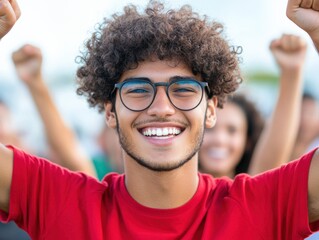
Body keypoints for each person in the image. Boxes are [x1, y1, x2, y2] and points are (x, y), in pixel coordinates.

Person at [0, 0, 319, 239]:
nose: (162, 107)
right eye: (138, 89)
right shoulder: (62, 202)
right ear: (110, 112)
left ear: (210, 109)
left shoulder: (261, 208)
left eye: (183, 89)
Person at [199, 33, 307, 178]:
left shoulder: (250, 193)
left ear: (247, 141)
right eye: (209, 129)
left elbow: (274, 151)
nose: (220, 139)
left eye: (232, 130)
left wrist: (291, 71)